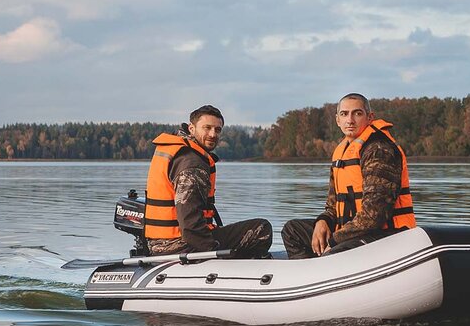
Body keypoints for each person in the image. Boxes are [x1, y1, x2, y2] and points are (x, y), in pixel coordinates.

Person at [281, 94, 415, 260]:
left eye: (357, 113)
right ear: (337, 120)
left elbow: (374, 215)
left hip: (386, 234)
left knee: (334, 251)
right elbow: (332, 205)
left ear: (370, 117)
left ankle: (325, 271)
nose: (350, 120)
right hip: (352, 231)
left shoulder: (378, 150)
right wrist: (323, 221)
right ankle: (308, 277)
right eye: (344, 114)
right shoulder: (342, 151)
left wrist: (334, 239)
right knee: (292, 230)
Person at [143, 104, 272, 259]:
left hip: (159, 244)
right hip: (180, 245)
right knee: (262, 228)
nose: (213, 134)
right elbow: (190, 227)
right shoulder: (192, 163)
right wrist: (215, 252)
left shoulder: (179, 151)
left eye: (217, 130)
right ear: (191, 129)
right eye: (207, 128)